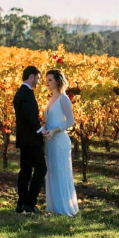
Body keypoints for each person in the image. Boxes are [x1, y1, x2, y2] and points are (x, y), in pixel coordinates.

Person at [40, 69, 79, 216]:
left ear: (57, 81)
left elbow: (70, 121)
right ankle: (54, 207)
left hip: (60, 140)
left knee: (61, 171)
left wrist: (55, 130)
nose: (47, 83)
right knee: (52, 172)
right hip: (49, 140)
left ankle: (64, 208)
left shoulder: (63, 98)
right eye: (46, 80)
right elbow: (48, 121)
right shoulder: (50, 99)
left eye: (50, 80)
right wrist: (44, 128)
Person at [13, 66, 46, 214]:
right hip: (32, 139)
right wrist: (40, 130)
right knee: (41, 168)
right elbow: (29, 115)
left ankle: (22, 203)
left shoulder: (20, 92)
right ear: (32, 77)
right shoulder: (26, 93)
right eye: (38, 78)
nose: (38, 82)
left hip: (24, 139)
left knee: (25, 170)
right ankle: (30, 203)